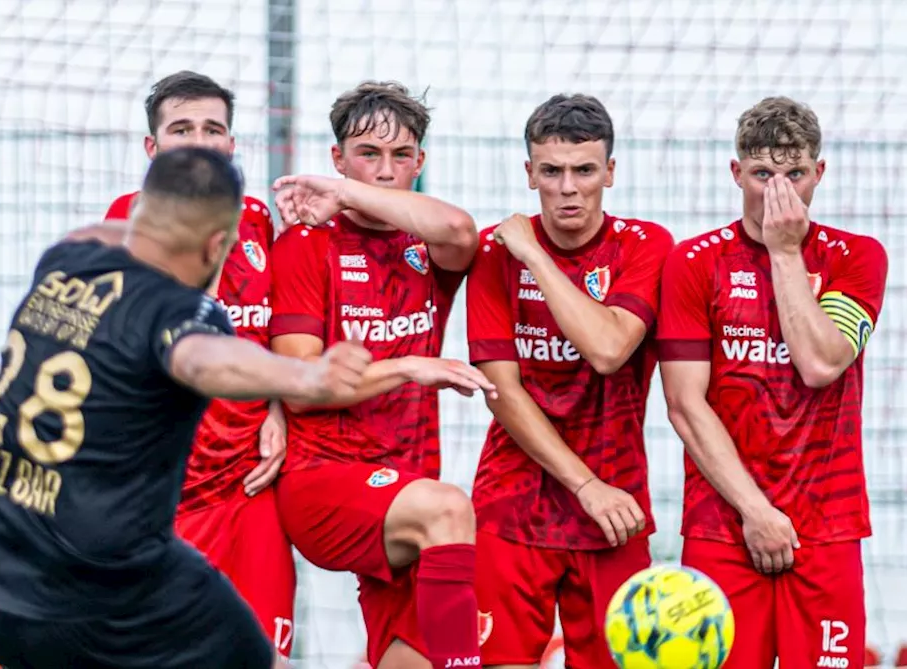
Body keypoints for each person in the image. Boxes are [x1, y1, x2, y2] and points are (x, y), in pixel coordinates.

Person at [0, 147, 372, 669]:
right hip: (103, 590)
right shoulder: (179, 311)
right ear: (217, 246)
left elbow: (107, 236)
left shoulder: (66, 259)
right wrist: (307, 376)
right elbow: (204, 360)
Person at [267, 80, 494, 669]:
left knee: (411, 657)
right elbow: (300, 381)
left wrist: (348, 193)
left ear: (420, 162)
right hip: (325, 479)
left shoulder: (426, 244)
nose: (386, 170)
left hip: (405, 488)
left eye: (401, 156)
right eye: (368, 155)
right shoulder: (306, 246)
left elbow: (463, 233)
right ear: (338, 159)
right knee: (450, 509)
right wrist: (408, 367)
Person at [657, 96, 889, 669]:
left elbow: (819, 364)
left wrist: (785, 253)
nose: (777, 191)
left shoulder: (856, 257)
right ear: (736, 173)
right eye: (762, 174)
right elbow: (686, 407)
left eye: (794, 174)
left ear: (820, 173)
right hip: (723, 524)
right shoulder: (694, 263)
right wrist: (755, 512)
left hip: (827, 523)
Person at [464, 93, 674, 668]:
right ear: (529, 173)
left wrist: (536, 257)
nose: (568, 187)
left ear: (609, 171)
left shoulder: (645, 246)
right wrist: (583, 484)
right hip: (513, 509)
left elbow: (608, 349)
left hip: (616, 509)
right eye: (551, 170)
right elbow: (501, 392)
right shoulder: (492, 252)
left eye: (584, 170)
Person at [104, 71, 296, 659]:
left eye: (213, 129)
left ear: (231, 145)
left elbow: (279, 329)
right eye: (181, 128)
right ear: (152, 147)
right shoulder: (123, 226)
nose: (198, 140)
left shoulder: (261, 220)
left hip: (249, 486)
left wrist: (278, 407)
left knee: (263, 655)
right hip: (163, 495)